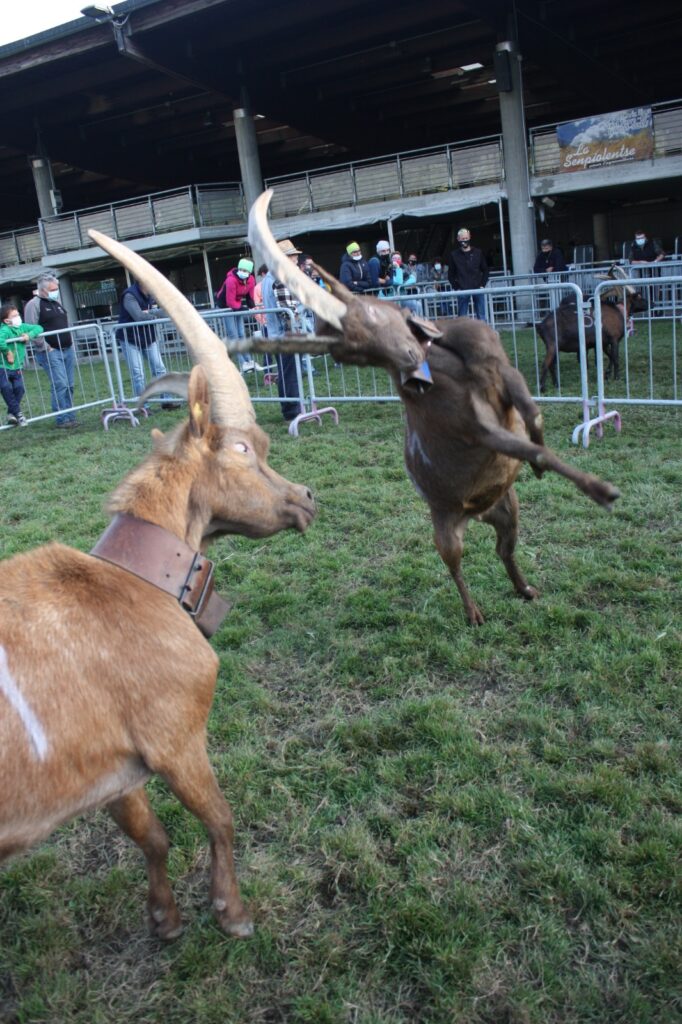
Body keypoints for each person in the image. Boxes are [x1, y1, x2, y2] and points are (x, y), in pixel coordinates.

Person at [23, 272, 78, 428]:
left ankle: (70, 414)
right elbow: (31, 329)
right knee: (60, 384)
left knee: (70, 384)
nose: (56, 291)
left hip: (67, 349)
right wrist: (46, 347)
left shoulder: (56, 302)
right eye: (53, 289)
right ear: (43, 290)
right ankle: (62, 418)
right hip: (50, 351)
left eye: (57, 288)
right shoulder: (33, 305)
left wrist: (71, 341)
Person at [263, 239, 303, 422]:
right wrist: (297, 326)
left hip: (275, 334)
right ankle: (292, 411)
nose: (296, 260)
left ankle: (290, 408)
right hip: (285, 335)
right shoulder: (280, 278)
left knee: (285, 373)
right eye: (293, 256)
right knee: (289, 374)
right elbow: (287, 311)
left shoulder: (269, 277)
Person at [116, 278, 171, 403]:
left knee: (160, 369)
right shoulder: (129, 295)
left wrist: (150, 312)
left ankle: (167, 400)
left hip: (148, 337)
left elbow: (166, 311)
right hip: (129, 339)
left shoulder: (151, 294)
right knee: (138, 373)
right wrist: (154, 315)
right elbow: (139, 317)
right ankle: (143, 405)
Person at [0, 302, 43, 426]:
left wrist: (29, 335)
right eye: (14, 316)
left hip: (17, 366)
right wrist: (7, 352)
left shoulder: (22, 327)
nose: (18, 317)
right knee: (5, 387)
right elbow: (0, 341)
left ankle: (11, 414)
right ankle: (18, 414)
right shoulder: (4, 330)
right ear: (7, 320)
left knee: (19, 389)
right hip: (3, 366)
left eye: (18, 314)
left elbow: (39, 328)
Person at [215, 257, 259, 371]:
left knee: (241, 334)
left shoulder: (251, 280)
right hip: (224, 307)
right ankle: (243, 363)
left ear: (250, 272)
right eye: (241, 269)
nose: (243, 272)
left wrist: (253, 306)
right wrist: (241, 308)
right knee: (233, 335)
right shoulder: (231, 280)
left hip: (237, 305)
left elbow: (250, 297)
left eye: (246, 270)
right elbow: (230, 301)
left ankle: (249, 361)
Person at [447, 228, 489, 320]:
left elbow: (485, 270)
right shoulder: (454, 255)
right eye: (462, 239)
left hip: (478, 288)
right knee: (462, 318)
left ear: (470, 237)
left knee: (481, 316)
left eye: (466, 238)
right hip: (462, 289)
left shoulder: (478, 252)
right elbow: (450, 274)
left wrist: (482, 285)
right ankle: (462, 334)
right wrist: (456, 287)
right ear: (458, 239)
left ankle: (482, 334)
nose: (465, 241)